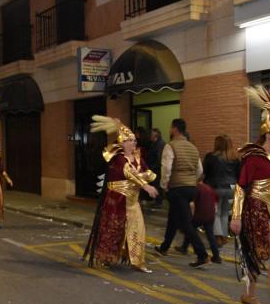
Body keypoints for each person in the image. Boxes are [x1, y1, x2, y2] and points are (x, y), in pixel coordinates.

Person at [83, 115, 158, 273]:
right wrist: (144, 185)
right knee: (113, 230)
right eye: (130, 140)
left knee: (138, 229)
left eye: (134, 140)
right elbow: (128, 172)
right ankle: (106, 257)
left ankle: (137, 261)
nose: (133, 143)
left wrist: (143, 178)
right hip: (116, 200)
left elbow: (151, 173)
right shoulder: (118, 158)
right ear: (122, 143)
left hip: (132, 200)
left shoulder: (138, 157)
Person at [230, 86, 270, 304]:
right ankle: (254, 297)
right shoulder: (255, 157)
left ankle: (255, 297)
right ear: (269, 134)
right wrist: (236, 216)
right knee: (257, 255)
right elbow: (240, 187)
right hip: (257, 211)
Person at [154, 119, 210, 268]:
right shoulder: (193, 147)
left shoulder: (170, 146)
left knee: (185, 224)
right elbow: (200, 171)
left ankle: (202, 254)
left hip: (177, 188)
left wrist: (164, 185)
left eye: (171, 127)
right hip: (191, 188)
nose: (170, 130)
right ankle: (164, 247)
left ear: (175, 129)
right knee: (173, 218)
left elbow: (166, 167)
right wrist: (191, 180)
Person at [203, 135, 240, 247]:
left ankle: (218, 238)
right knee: (224, 214)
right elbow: (239, 174)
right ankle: (223, 237)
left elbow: (205, 173)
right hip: (231, 189)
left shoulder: (211, 157)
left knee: (216, 214)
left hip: (215, 188)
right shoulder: (235, 158)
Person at [175, 181, 221, 263]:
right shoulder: (210, 189)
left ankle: (184, 247)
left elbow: (192, 203)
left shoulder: (196, 189)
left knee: (190, 230)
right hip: (210, 214)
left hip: (200, 214)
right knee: (210, 235)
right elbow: (217, 200)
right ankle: (216, 256)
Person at [147, 128, 165, 207]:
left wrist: (153, 167)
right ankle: (157, 201)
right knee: (156, 184)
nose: (149, 136)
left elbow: (159, 158)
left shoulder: (159, 144)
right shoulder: (155, 143)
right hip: (155, 167)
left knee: (157, 184)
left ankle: (158, 202)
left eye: (151, 135)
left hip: (157, 168)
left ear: (155, 136)